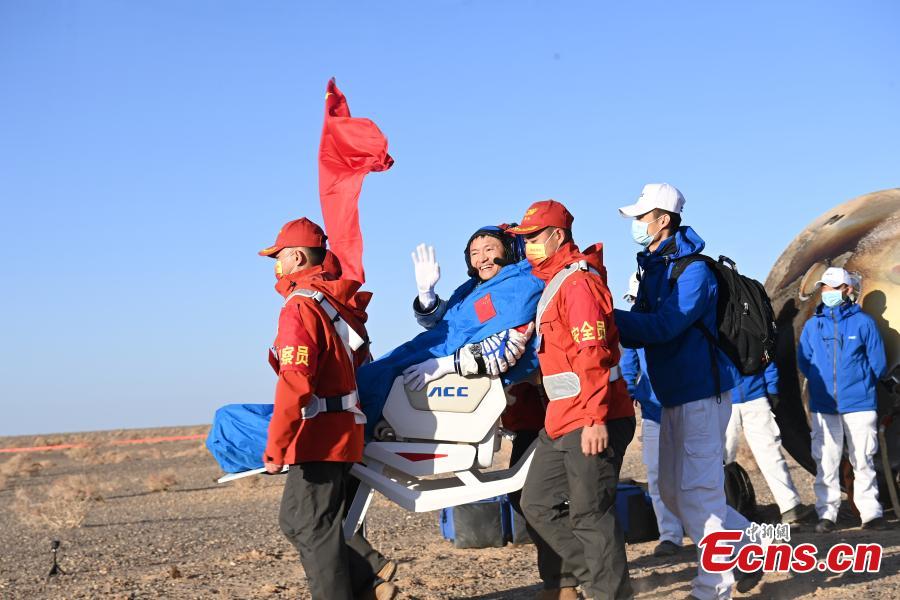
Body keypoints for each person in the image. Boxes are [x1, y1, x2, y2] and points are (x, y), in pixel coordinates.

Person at [406, 227, 579, 599]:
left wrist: (448, 366)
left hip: (553, 411)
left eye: (489, 249)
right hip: (525, 416)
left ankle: (585, 577)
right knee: (528, 500)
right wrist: (426, 295)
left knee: (543, 500)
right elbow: (444, 327)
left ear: (511, 251)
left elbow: (509, 346)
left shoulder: (518, 289)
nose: (482, 257)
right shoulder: (471, 291)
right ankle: (562, 582)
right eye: (474, 252)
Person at [612, 183, 761, 599]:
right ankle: (755, 544)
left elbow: (664, 326)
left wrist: (605, 316)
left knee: (700, 493)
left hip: (700, 392)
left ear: (664, 219)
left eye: (642, 217)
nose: (637, 225)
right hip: (669, 395)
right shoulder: (653, 270)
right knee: (675, 495)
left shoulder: (694, 270)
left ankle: (714, 588)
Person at [259, 217, 397, 600]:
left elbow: (295, 380)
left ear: (298, 257)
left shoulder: (300, 307)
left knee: (310, 525)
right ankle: (369, 575)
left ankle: (365, 577)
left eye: (279, 256)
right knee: (298, 520)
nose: (276, 265)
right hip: (342, 427)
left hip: (319, 432)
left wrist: (278, 443)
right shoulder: (334, 304)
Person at [513, 200, 636, 600]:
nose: (528, 245)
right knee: (535, 503)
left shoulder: (578, 282)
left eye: (533, 237)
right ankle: (599, 578)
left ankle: (608, 592)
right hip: (561, 419)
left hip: (591, 417)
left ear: (557, 236)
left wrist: (595, 418)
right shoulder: (555, 283)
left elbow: (593, 353)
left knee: (590, 515)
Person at [797, 266, 888, 532]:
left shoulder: (864, 323)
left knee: (863, 458)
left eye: (834, 288)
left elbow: (879, 364)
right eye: (825, 287)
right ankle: (827, 514)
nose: (828, 292)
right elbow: (804, 361)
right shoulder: (813, 326)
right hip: (824, 407)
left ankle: (870, 513)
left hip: (859, 404)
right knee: (825, 460)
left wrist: (861, 384)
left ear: (847, 290)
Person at [620, 273, 684, 558]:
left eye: (637, 299)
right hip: (653, 410)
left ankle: (707, 529)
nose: (634, 306)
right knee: (657, 475)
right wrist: (630, 388)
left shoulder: (676, 319)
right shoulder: (635, 330)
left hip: (686, 405)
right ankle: (670, 535)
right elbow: (628, 360)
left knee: (694, 473)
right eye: (631, 301)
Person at [725, 362, 812, 524]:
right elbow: (768, 355)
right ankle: (790, 506)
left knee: (721, 460)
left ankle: (723, 512)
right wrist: (772, 391)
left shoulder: (715, 335)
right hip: (752, 395)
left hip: (730, 397)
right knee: (769, 454)